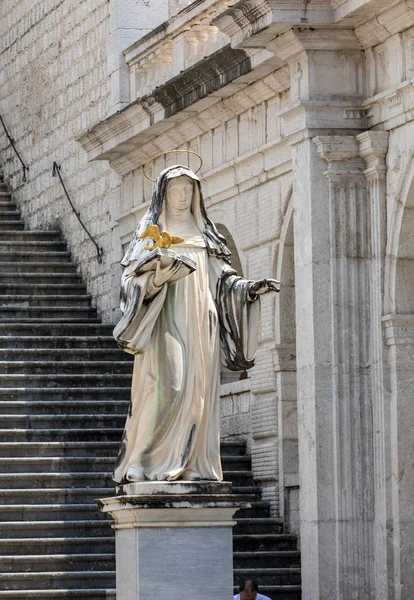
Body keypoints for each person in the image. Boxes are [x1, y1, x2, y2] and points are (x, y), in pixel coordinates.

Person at [113, 164, 279, 484]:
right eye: (175, 190)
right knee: (168, 387)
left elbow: (223, 281)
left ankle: (192, 465)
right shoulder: (151, 233)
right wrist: (158, 279)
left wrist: (249, 289)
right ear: (163, 194)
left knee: (198, 397)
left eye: (187, 191)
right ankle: (143, 461)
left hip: (202, 320)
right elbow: (130, 281)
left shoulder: (206, 235)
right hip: (165, 319)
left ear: (196, 194)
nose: (181, 196)